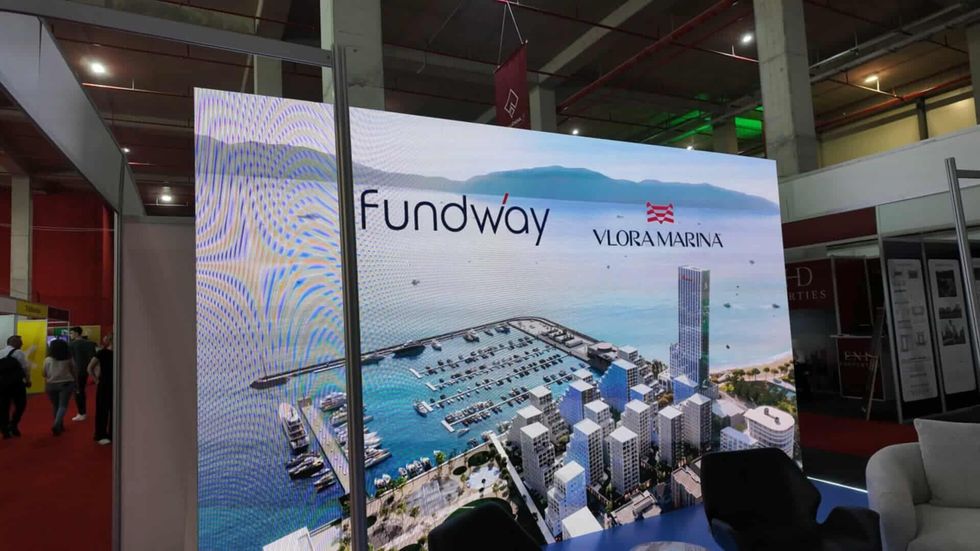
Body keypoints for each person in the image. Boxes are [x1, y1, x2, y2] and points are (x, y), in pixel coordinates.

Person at [0, 335, 31, 438]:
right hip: (16, 384)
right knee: (21, 404)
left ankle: (4, 429)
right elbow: (25, 368)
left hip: (2, 384)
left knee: (4, 407)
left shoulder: (0, 352)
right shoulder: (19, 353)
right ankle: (13, 424)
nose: (22, 344)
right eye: (20, 342)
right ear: (14, 342)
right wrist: (28, 380)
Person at [44, 339, 76, 436]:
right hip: (66, 384)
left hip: (51, 385)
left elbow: (44, 373)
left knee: (55, 405)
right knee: (62, 406)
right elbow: (74, 371)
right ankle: (57, 424)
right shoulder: (68, 358)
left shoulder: (47, 359)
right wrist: (76, 382)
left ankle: (59, 425)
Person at [68, 326, 97, 421]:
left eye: (71, 333)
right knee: (81, 390)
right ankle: (82, 412)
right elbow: (94, 358)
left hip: (77, 371)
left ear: (76, 333)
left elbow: (70, 359)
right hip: (87, 370)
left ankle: (81, 412)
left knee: (78, 392)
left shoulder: (71, 345)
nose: (70, 335)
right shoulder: (90, 343)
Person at [88, 334, 113, 445]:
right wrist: (96, 380)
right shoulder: (102, 353)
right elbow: (90, 368)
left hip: (117, 384)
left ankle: (113, 432)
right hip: (105, 384)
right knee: (102, 409)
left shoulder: (121, 352)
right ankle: (100, 434)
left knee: (115, 410)